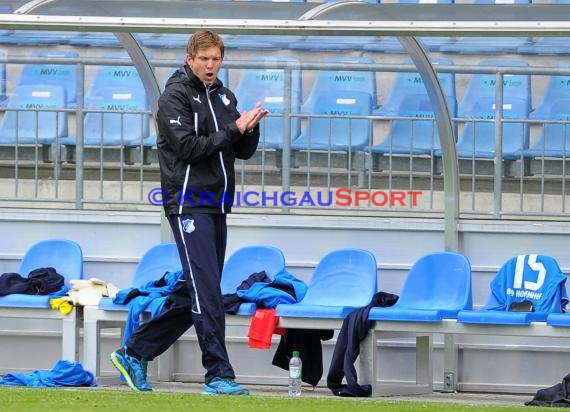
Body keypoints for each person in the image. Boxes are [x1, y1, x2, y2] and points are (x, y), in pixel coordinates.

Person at [110, 30, 269, 395]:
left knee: (195, 288)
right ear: (190, 59)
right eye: (205, 59)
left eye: (216, 59)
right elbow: (188, 148)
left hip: (217, 203)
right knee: (207, 290)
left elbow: (240, 150)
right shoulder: (175, 97)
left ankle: (134, 352)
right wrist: (233, 129)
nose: (211, 66)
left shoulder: (225, 95)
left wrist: (251, 128)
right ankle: (218, 374)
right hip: (187, 202)